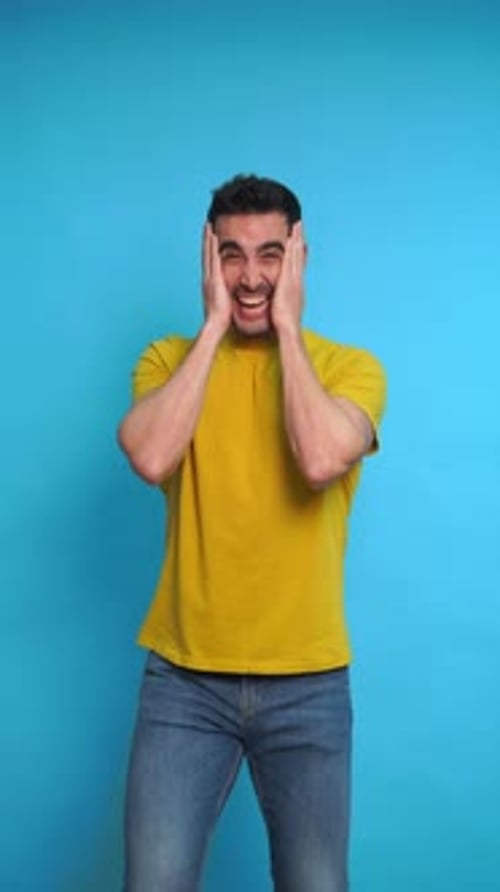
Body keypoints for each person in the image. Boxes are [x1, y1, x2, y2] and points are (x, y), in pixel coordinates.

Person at [118, 174, 386, 892]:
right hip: (183, 686)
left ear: (299, 258)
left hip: (308, 688)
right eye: (231, 254)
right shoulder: (169, 361)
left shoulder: (348, 369)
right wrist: (211, 329)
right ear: (208, 259)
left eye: (271, 254)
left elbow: (322, 456)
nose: (250, 276)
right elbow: (148, 455)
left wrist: (289, 330)